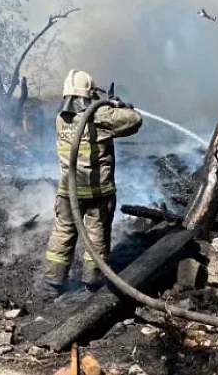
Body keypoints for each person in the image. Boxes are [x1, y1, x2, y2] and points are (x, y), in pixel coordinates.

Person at [41, 69, 143, 299]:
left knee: (62, 232)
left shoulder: (61, 118)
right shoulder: (100, 116)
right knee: (96, 234)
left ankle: (52, 282)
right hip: (98, 191)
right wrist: (118, 107)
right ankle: (92, 281)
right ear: (89, 93)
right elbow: (135, 121)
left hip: (69, 190)